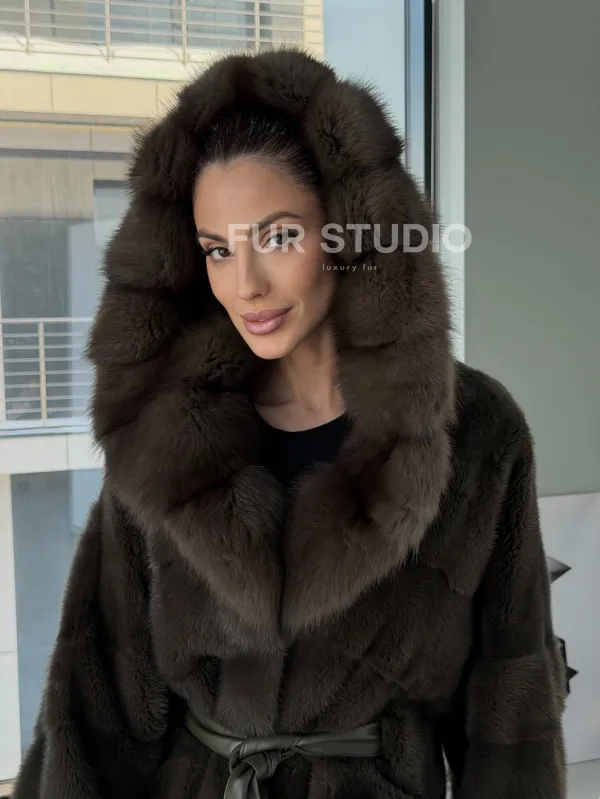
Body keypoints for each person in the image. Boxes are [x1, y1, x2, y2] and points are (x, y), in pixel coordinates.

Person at [13, 48, 567, 799]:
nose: (245, 285)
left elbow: (510, 710)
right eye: (217, 250)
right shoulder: (164, 431)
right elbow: (95, 704)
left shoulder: (475, 434)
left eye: (277, 237)